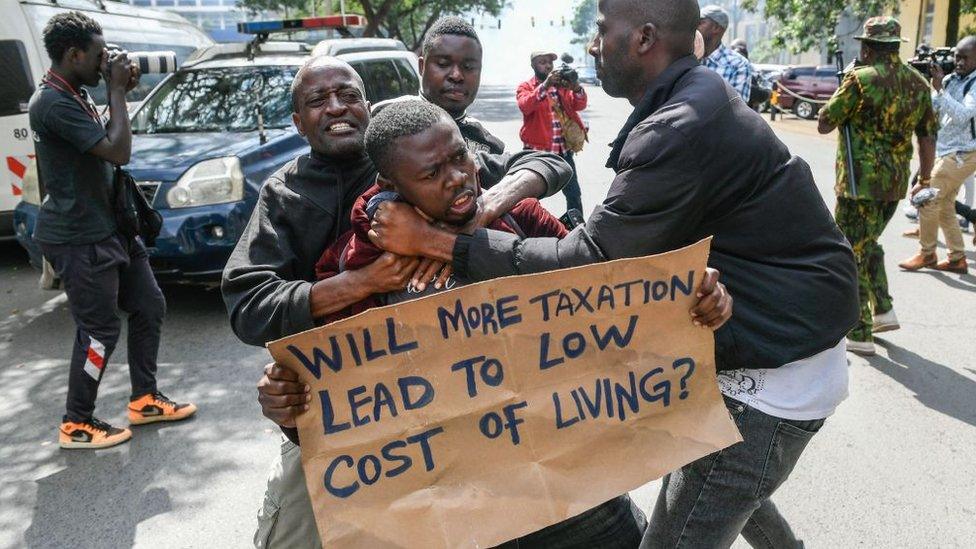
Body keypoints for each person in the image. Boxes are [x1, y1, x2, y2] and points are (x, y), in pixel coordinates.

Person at [366, 1, 859, 547]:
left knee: (710, 489)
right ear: (390, 185)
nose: (593, 44)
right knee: (723, 475)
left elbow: (586, 261)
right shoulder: (690, 98)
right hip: (756, 346)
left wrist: (442, 240)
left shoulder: (678, 125)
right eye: (430, 173)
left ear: (644, 37)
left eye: (602, 30)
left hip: (771, 375)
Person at [222, 55, 573, 548]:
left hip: (480, 419)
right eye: (317, 101)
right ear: (298, 124)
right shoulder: (285, 196)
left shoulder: (421, 146)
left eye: (348, 94)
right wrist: (362, 282)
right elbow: (249, 305)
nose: (336, 107)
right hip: (353, 426)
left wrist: (479, 217)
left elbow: (547, 165)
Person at [296, 99, 656, 546]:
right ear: (390, 186)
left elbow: (609, 295)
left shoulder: (517, 218)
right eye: (431, 175)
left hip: (576, 493)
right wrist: (288, 404)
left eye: (460, 157)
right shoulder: (361, 265)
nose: (458, 178)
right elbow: (332, 396)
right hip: (463, 513)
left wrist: (689, 303)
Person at [30, 11, 195, 450]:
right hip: (79, 236)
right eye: (100, 54)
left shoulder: (76, 92)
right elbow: (117, 151)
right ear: (73, 53)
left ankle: (144, 397)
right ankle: (76, 421)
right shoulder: (52, 102)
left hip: (112, 229)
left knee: (149, 305)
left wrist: (119, 91)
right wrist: (117, 91)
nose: (107, 61)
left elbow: (104, 143)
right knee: (99, 330)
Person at [819, 16, 938, 356]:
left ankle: (860, 329)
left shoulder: (860, 79)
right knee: (867, 242)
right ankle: (884, 308)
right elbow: (928, 137)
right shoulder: (918, 83)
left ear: (867, 48)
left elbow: (826, 122)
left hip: (858, 184)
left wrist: (844, 87)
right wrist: (925, 177)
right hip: (894, 184)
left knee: (849, 250)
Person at [898, 36, 976, 275]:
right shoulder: (952, 80)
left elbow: (964, 114)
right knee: (944, 205)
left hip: (965, 152)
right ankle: (957, 258)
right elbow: (933, 109)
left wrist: (941, 90)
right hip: (945, 150)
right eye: (956, 56)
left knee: (927, 196)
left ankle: (928, 253)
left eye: (965, 57)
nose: (959, 62)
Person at [517, 50, 588, 214]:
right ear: (533, 65)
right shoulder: (526, 86)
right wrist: (545, 86)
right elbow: (525, 106)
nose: (547, 65)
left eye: (550, 62)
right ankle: (527, 227)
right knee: (529, 197)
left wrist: (576, 87)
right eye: (542, 62)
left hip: (563, 152)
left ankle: (577, 229)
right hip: (536, 152)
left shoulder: (562, 88)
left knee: (573, 193)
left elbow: (580, 105)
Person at [698, 4, 752, 103]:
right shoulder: (688, 59)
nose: (695, 27)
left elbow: (736, 109)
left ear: (716, 28)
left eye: (700, 22)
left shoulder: (738, 65)